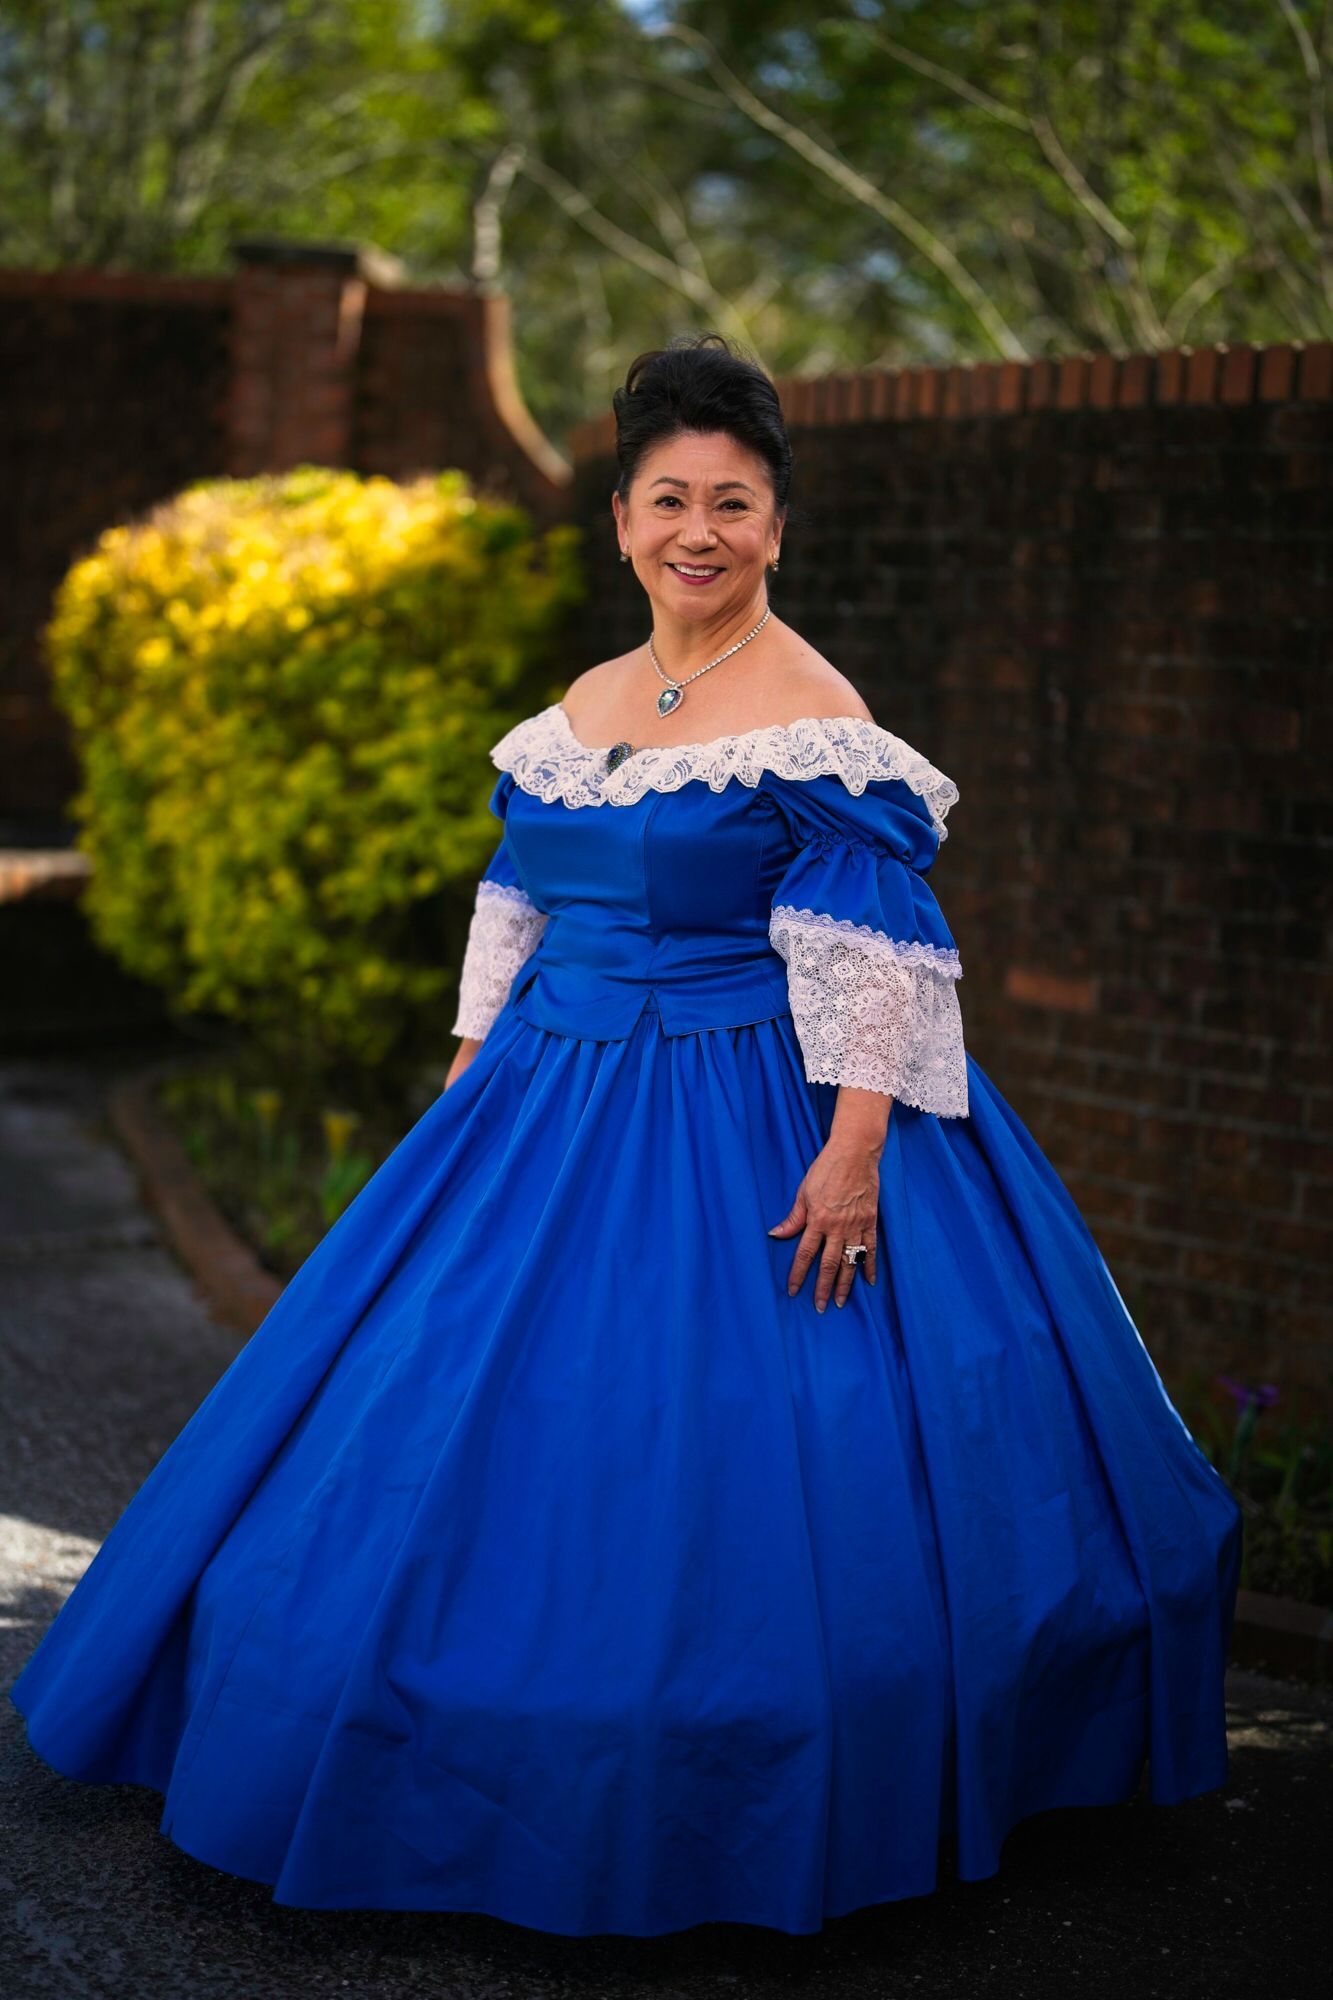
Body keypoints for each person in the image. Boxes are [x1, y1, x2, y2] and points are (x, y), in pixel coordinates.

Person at [12, 333, 1242, 1939]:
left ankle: (730, 1772)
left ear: (777, 528)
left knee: (727, 1441)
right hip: (540, 1099)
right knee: (429, 1418)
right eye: (670, 498)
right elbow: (516, 891)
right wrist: (466, 1078)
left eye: (734, 502)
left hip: (747, 1106)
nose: (700, 531)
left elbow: (873, 944)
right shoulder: (584, 706)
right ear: (620, 519)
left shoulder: (810, 715)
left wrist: (855, 1149)